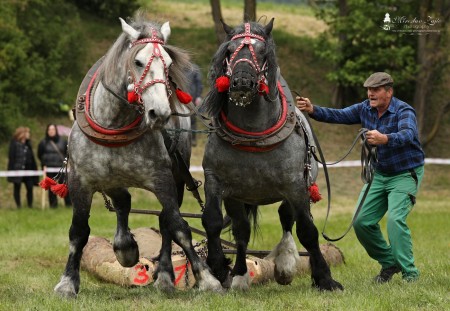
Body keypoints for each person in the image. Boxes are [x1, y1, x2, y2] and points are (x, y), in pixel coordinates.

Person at [296, 72, 425, 283]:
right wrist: (313, 109)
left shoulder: (404, 110)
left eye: (376, 90)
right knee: (362, 222)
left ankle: (410, 274)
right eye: (369, 89)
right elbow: (338, 115)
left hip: (405, 173)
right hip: (379, 174)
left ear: (389, 91)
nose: (370, 93)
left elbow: (408, 134)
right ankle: (389, 262)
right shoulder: (365, 108)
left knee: (395, 220)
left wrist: (385, 138)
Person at [38, 124, 71, 208]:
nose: (51, 131)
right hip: (49, 168)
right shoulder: (43, 142)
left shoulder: (63, 141)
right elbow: (40, 154)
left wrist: (67, 163)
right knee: (51, 188)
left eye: (53, 129)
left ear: (56, 130)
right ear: (47, 131)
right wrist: (43, 164)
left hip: (61, 168)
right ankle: (53, 206)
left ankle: (68, 205)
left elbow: (68, 153)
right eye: (49, 129)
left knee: (64, 186)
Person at [7, 127, 39, 208]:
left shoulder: (28, 144)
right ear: (22, 134)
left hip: (28, 170)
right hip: (17, 170)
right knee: (17, 188)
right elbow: (11, 158)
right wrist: (11, 170)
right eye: (27, 133)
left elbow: (32, 158)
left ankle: (30, 205)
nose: (29, 134)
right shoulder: (14, 144)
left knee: (30, 187)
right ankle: (18, 206)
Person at [186, 63, 203, 146]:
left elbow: (199, 83)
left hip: (192, 98)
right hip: (180, 98)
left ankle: (192, 139)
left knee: (192, 120)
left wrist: (198, 96)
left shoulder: (194, 68)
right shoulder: (178, 68)